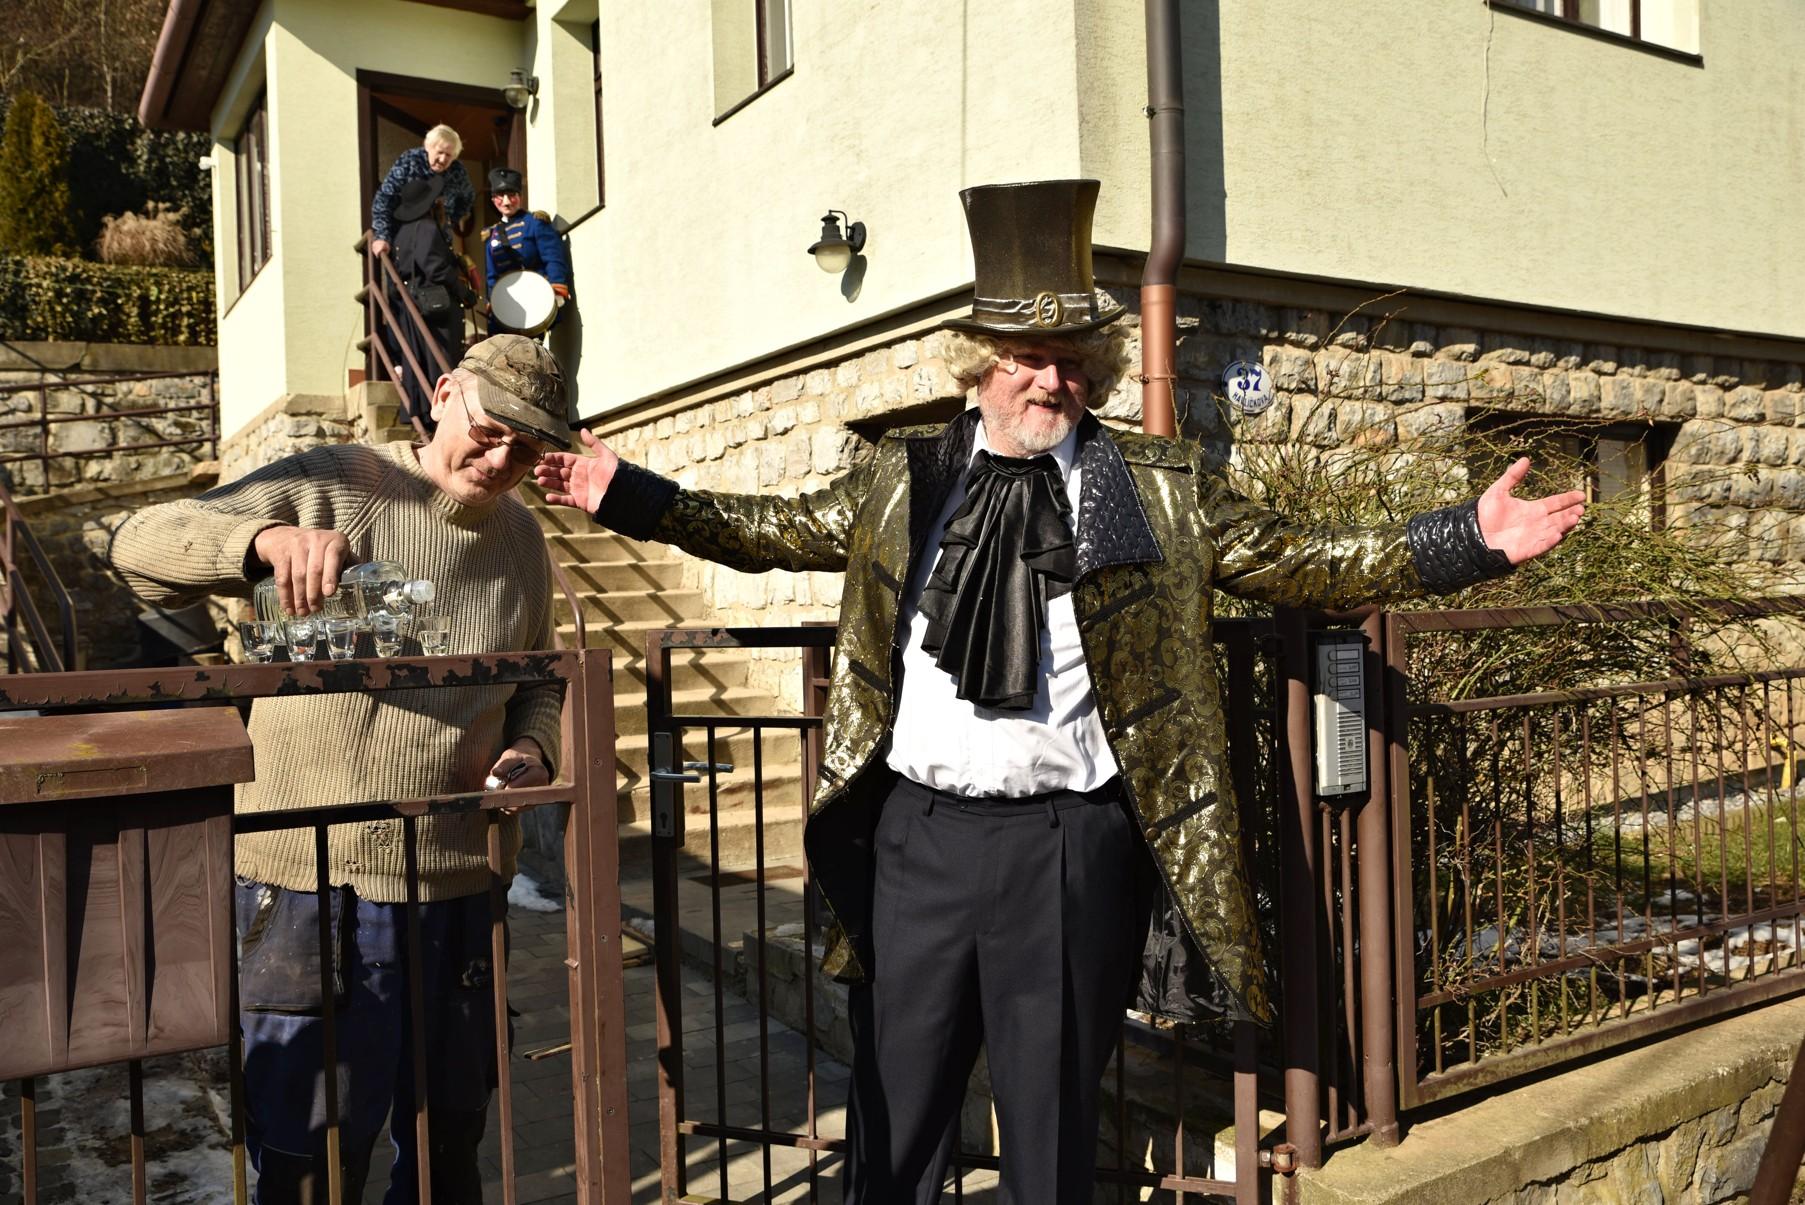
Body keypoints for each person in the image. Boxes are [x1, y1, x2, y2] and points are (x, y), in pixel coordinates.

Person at [534, 179, 1586, 1203]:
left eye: (1073, 361)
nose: (1050, 381)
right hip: (917, 838)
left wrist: (1464, 540)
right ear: (977, 367)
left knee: (1049, 1132)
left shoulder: (1155, 487)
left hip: (1069, 847)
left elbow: (1298, 559)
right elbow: (765, 529)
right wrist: (628, 494)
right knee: (895, 1117)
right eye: (1026, 358)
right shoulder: (906, 476)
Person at [110, 334, 573, 1204]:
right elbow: (138, 543)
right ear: (444, 393)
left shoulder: (521, 537)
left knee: (450, 1144)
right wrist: (259, 540)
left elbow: (539, 677)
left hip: (459, 882)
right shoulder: (336, 480)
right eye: (491, 430)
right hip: (311, 886)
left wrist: (534, 747)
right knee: (311, 1153)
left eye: (528, 448)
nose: (501, 459)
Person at [388, 174, 478, 429]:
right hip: (433, 306)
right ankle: (441, 416)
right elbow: (435, 268)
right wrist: (463, 292)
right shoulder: (426, 228)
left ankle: (425, 414)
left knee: (421, 358)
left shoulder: (402, 234)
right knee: (439, 356)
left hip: (413, 304)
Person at [481, 167, 572, 335]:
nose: (507, 202)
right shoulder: (492, 235)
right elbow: (492, 276)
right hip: (507, 304)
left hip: (535, 299)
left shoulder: (535, 222)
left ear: (520, 197)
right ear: (494, 200)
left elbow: (553, 257)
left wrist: (557, 290)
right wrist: (493, 303)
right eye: (501, 196)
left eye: (512, 195)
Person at [369, 124, 476, 260]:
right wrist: (382, 236)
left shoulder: (457, 172)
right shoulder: (410, 161)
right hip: (404, 238)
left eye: (448, 155)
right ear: (428, 146)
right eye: (440, 152)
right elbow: (384, 199)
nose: (443, 159)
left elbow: (468, 198)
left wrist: (451, 221)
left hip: (438, 242)